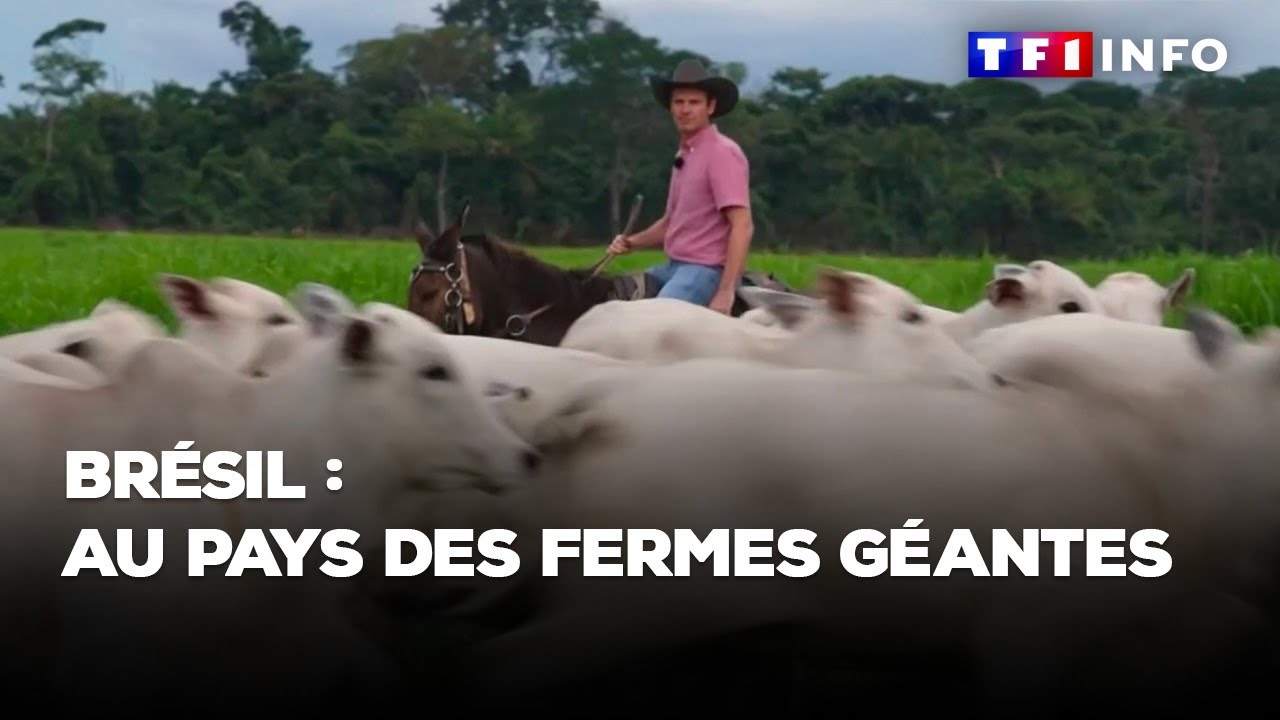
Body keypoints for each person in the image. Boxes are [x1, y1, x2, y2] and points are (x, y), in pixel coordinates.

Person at [608, 58, 753, 314]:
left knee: (651, 322)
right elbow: (670, 224)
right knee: (613, 302)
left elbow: (742, 224)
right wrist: (630, 243)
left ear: (711, 106)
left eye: (694, 102)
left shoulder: (722, 153)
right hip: (673, 266)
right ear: (671, 108)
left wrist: (725, 291)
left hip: (703, 270)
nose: (685, 109)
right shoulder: (686, 154)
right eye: (679, 102)